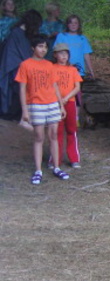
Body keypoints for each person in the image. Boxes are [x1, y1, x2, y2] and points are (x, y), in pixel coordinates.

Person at [16, 37, 69, 185]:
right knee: (39, 136)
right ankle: (38, 170)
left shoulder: (49, 65)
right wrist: (24, 110)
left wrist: (61, 105)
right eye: (40, 46)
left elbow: (55, 86)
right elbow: (22, 89)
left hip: (52, 103)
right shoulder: (25, 65)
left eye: (45, 47)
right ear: (33, 48)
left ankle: (56, 167)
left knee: (53, 135)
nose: (43, 50)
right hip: (36, 104)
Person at [0, 10, 39, 121]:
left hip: (19, 66)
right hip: (13, 67)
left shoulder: (22, 34)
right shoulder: (17, 33)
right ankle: (10, 114)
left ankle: (16, 114)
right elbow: (15, 52)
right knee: (16, 91)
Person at [51, 43, 83, 169]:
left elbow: (77, 87)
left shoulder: (72, 69)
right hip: (55, 102)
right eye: (60, 53)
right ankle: (55, 159)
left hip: (70, 102)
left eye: (66, 53)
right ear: (55, 55)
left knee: (71, 130)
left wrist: (66, 98)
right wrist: (60, 100)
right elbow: (52, 86)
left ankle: (74, 158)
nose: (64, 56)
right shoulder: (52, 68)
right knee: (57, 131)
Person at [52, 15, 96, 80]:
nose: (73, 25)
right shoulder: (61, 36)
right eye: (71, 23)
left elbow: (86, 55)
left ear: (79, 25)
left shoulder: (82, 38)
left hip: (79, 71)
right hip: (63, 70)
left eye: (75, 23)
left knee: (78, 86)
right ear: (67, 25)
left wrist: (91, 71)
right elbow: (56, 52)